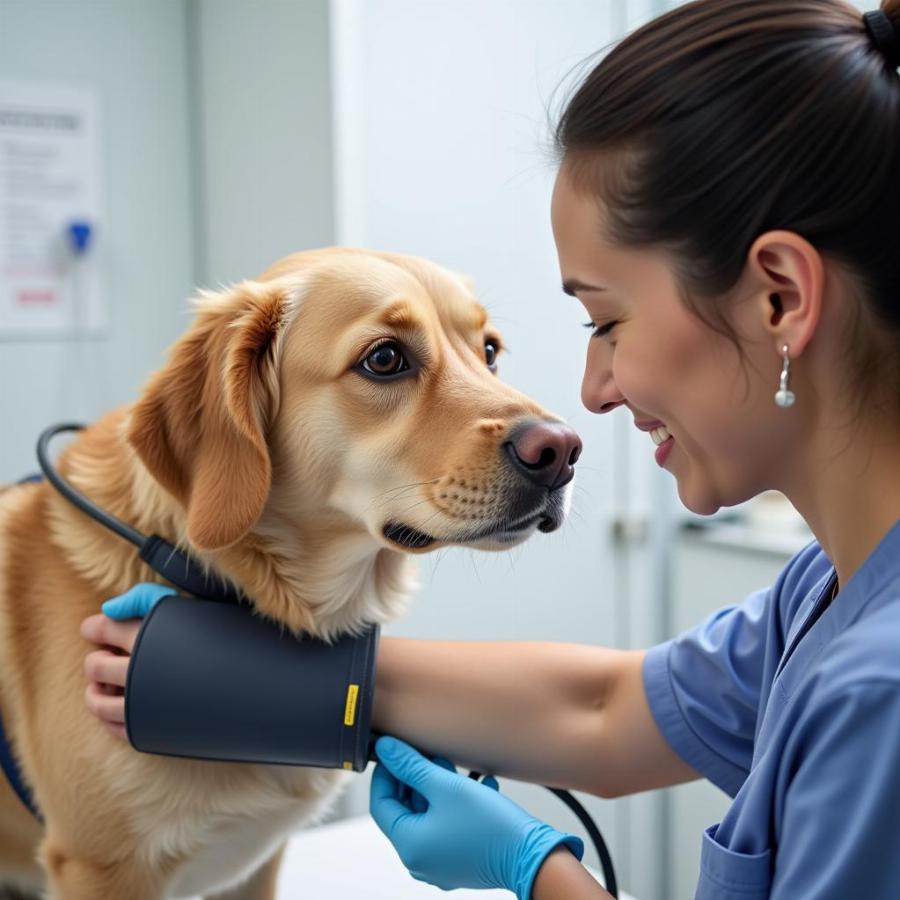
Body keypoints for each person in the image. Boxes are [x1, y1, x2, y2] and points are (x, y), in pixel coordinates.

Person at [79, 0, 900, 897]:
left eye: (607, 321)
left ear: (779, 300)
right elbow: (604, 712)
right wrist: (283, 680)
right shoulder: (824, 594)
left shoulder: (880, 694)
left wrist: (536, 872)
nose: (587, 394)